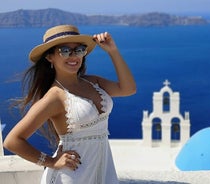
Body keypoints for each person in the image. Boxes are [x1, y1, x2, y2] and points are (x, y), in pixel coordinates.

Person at [3, 24, 136, 184]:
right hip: (71, 176)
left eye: (79, 50)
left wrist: (113, 51)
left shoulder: (93, 82)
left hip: (104, 172)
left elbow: (128, 89)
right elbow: (12, 141)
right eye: (65, 51)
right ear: (49, 57)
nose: (74, 56)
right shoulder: (54, 97)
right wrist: (51, 162)